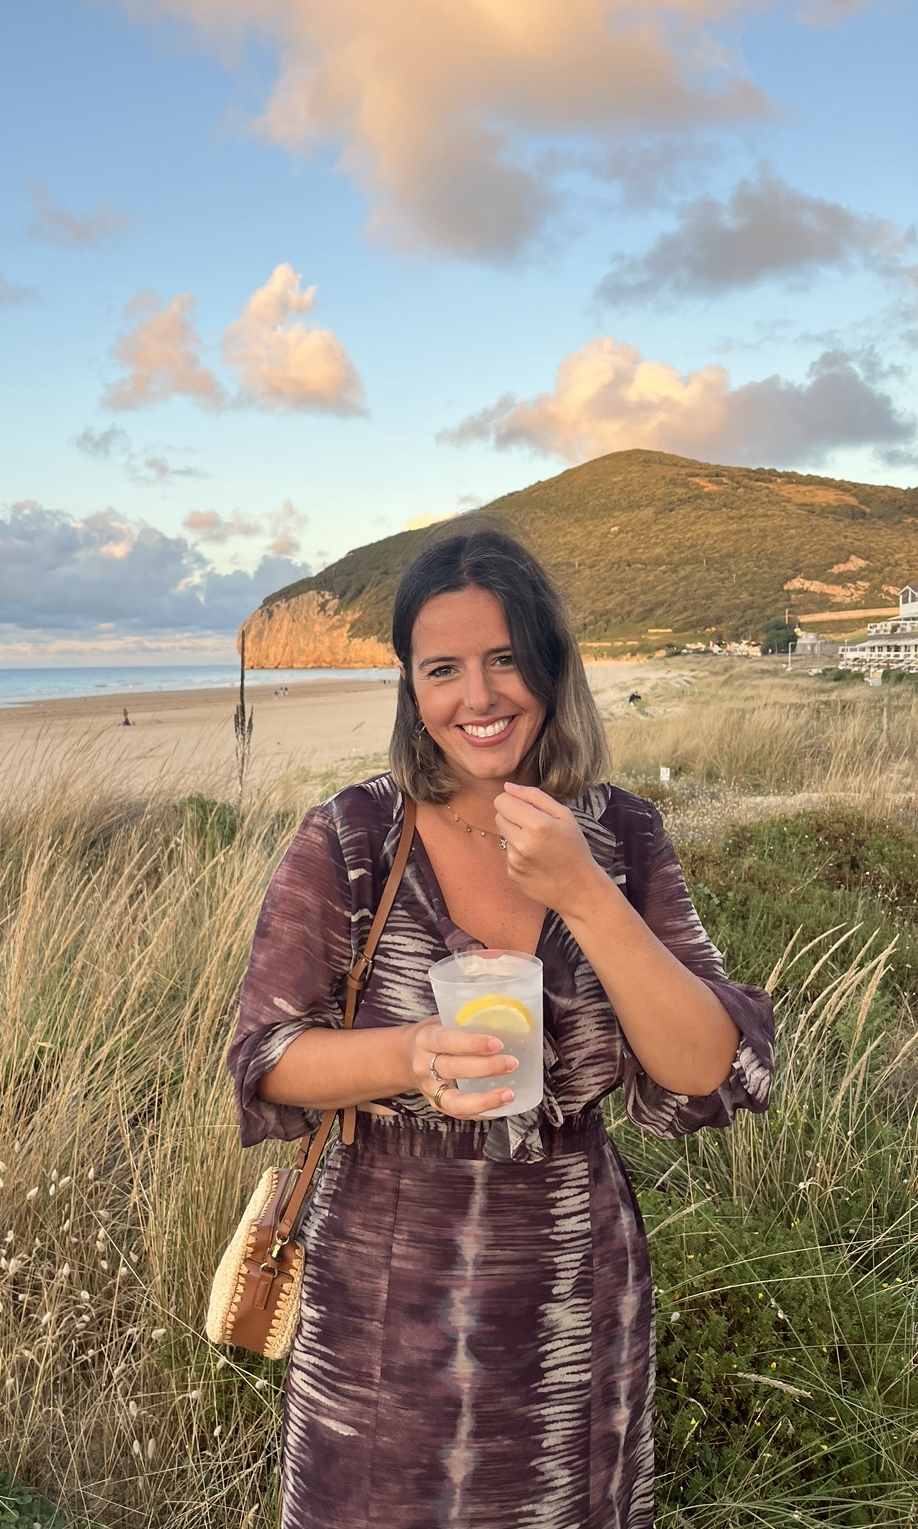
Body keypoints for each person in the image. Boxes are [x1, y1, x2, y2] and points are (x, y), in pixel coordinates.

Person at [228, 526, 774, 1529]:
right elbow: (266, 1059)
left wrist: (587, 893)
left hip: (569, 1292)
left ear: (553, 665)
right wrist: (408, 1055)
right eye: (443, 669)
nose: (477, 697)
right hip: (381, 1297)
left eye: (506, 659)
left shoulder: (624, 835)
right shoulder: (351, 836)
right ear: (411, 686)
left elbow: (707, 1065)